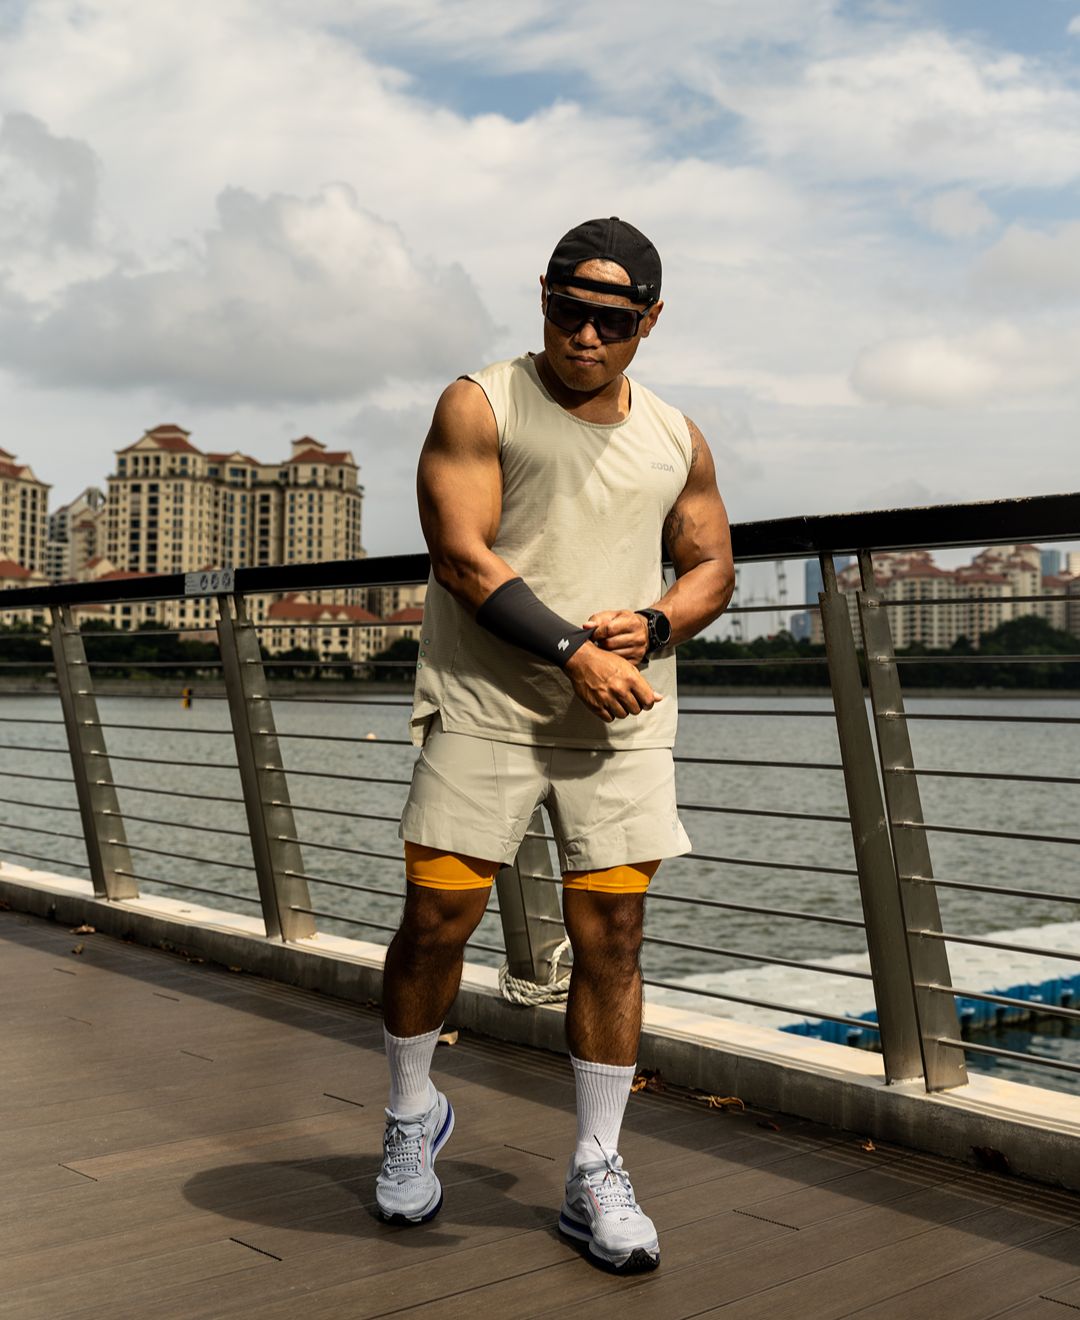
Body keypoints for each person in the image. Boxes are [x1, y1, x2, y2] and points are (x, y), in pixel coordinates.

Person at [375, 217, 734, 1273]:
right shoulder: (480, 403)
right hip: (487, 707)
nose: (584, 335)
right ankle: (410, 1114)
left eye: (610, 321)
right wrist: (573, 648)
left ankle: (595, 1167)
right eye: (567, 311)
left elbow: (713, 565)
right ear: (543, 297)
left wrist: (657, 624)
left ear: (649, 322)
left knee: (613, 937)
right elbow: (461, 557)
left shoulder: (676, 436)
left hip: (620, 723)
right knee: (436, 922)